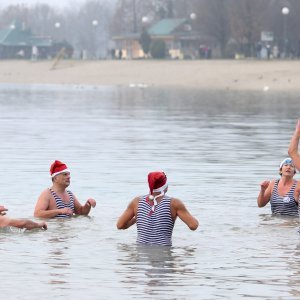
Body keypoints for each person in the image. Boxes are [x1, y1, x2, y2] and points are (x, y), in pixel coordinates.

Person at [117, 171, 199, 246]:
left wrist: (136, 219)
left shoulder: (136, 202)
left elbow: (120, 225)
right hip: (164, 254)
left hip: (141, 255)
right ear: (165, 186)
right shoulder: (174, 203)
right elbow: (193, 226)